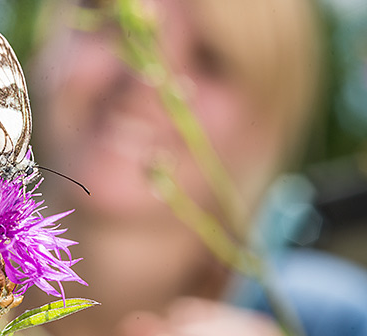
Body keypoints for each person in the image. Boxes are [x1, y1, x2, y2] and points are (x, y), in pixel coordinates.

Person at [22, 0, 365, 335]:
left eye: (209, 58)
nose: (143, 79)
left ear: (267, 127)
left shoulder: (338, 319)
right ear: (44, 47)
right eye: (114, 24)